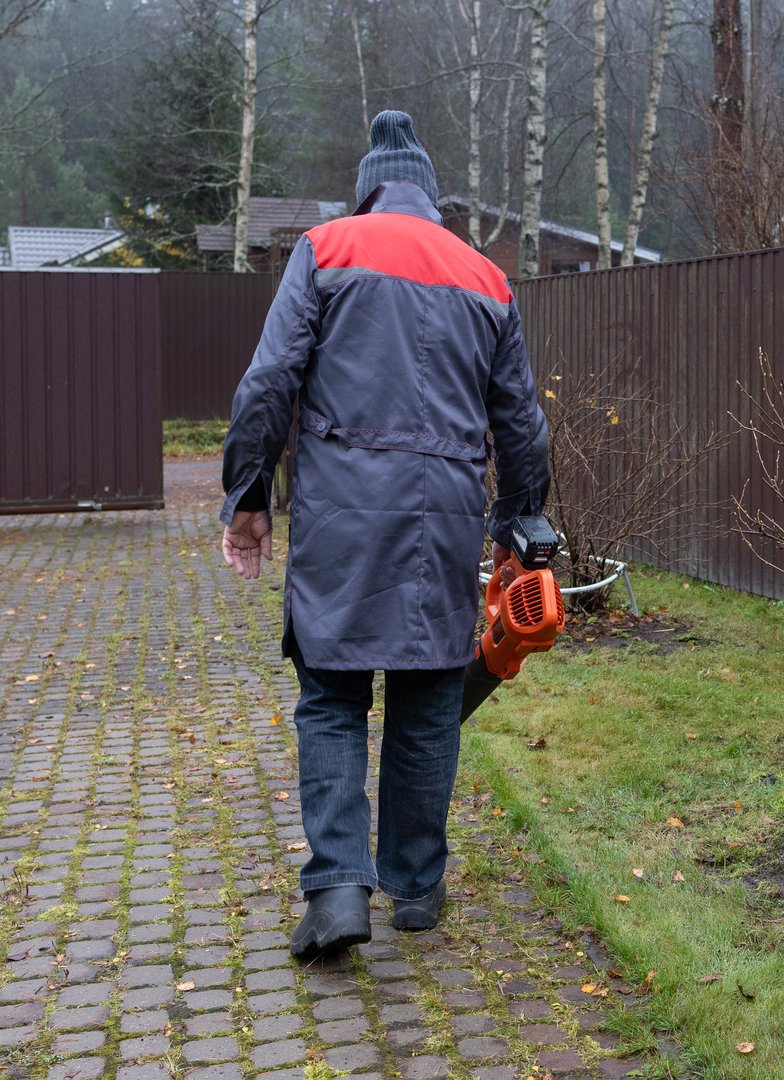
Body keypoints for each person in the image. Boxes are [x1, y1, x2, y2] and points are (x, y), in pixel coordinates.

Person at [218, 110, 550, 960]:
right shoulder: (486, 276)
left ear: (368, 186)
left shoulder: (327, 250)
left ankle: (336, 889)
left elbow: (266, 385)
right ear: (432, 197)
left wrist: (248, 497)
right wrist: (521, 523)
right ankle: (414, 885)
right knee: (430, 697)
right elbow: (521, 424)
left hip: (338, 515)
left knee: (330, 697)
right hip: (442, 516)